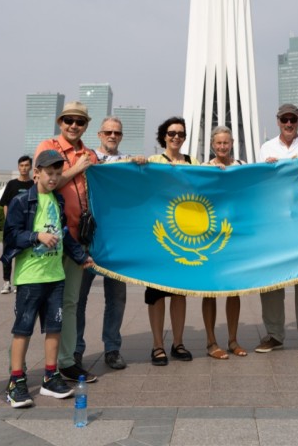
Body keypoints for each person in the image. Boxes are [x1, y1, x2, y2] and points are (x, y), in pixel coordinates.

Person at [2, 150, 93, 408]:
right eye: (49, 173)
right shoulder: (22, 201)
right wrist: (36, 236)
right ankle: (16, 381)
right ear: (36, 173)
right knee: (23, 329)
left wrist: (81, 257)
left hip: (56, 276)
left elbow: (64, 235)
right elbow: (11, 236)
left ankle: (50, 377)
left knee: (54, 327)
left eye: (57, 173)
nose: (53, 178)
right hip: (30, 277)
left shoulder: (57, 200)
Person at [75, 117, 146, 371]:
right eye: (108, 132)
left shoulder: (127, 162)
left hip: (116, 242)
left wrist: (141, 165)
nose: (112, 136)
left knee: (116, 298)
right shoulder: (86, 158)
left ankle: (112, 348)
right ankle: (75, 350)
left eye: (117, 132)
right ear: (99, 134)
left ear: (121, 136)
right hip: (87, 240)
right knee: (78, 299)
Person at [34, 101, 98, 383]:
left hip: (78, 239)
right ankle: (22, 366)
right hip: (48, 238)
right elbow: (45, 183)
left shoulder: (90, 154)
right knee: (36, 301)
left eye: (80, 121)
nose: (74, 125)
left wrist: (138, 162)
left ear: (86, 126)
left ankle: (67, 361)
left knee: (70, 302)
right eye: (69, 120)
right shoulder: (48, 147)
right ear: (60, 122)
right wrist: (76, 169)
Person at [256, 104, 298, 357]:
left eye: (293, 119)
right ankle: (274, 334)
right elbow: (259, 183)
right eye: (285, 119)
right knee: (271, 279)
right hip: (273, 221)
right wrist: (268, 170)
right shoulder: (266, 148)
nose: (289, 123)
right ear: (278, 121)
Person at [146, 117, 198, 366]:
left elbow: (206, 185)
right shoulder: (154, 161)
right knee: (156, 292)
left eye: (181, 134)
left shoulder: (193, 162)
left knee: (179, 291)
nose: (176, 137)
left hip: (184, 235)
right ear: (163, 136)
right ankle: (157, 345)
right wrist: (137, 164)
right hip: (159, 236)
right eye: (171, 133)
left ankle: (178, 342)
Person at [201, 126, 247, 359]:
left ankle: (232, 340)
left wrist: (271, 165)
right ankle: (211, 342)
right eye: (218, 143)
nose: (222, 147)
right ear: (212, 145)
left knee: (233, 289)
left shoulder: (241, 166)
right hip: (210, 235)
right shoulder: (204, 168)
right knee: (210, 290)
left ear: (232, 144)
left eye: (225, 143)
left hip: (234, 234)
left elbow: (252, 188)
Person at [0, 156, 34, 294]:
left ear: (31, 167)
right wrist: (8, 221)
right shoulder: (12, 184)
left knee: (24, 254)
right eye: (21, 165)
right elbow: (5, 204)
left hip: (27, 227)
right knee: (8, 253)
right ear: (18, 167)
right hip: (12, 226)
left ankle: (20, 282)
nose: (24, 168)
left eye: (26, 165)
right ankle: (6, 282)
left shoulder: (34, 184)